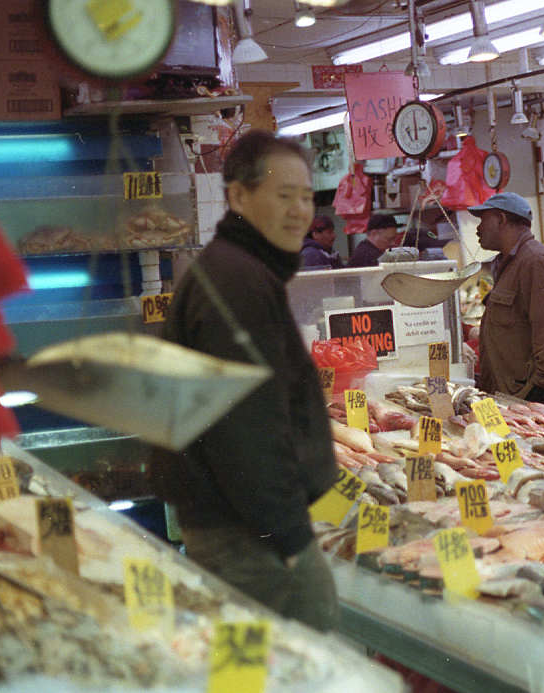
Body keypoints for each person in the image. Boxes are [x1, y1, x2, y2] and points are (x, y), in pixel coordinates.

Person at [148, 130, 340, 631]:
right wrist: (295, 542)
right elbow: (247, 431)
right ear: (237, 196)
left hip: (243, 529)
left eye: (306, 196)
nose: (300, 210)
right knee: (295, 671)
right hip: (249, 538)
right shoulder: (238, 283)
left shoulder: (238, 270)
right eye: (284, 196)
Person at [471, 192, 544, 410]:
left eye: (483, 220)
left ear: (501, 220)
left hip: (534, 400)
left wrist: (535, 395)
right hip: (511, 398)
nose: (478, 228)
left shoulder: (536, 261)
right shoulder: (506, 262)